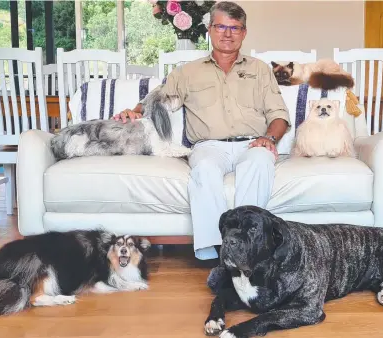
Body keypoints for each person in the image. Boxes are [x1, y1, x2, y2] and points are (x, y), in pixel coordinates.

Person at [114, 1, 290, 261]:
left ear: (243, 32)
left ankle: (249, 250)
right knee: (204, 170)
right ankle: (218, 254)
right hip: (209, 146)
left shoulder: (260, 70)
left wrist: (269, 138)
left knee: (261, 163)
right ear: (210, 30)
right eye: (221, 26)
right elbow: (160, 97)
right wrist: (136, 110)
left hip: (253, 143)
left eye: (235, 28)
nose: (227, 33)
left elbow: (279, 115)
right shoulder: (189, 72)